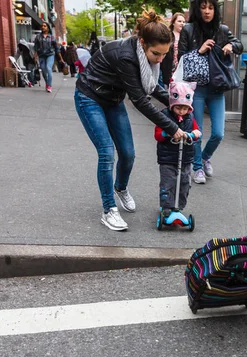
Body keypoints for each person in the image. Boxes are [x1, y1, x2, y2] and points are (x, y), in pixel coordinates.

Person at [75, 9, 182, 231]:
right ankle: (109, 210)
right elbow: (140, 100)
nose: (160, 59)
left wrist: (178, 102)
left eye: (164, 54)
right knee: (106, 152)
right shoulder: (126, 56)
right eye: (157, 54)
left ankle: (120, 187)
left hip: (113, 99)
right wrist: (172, 128)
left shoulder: (148, 57)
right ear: (142, 42)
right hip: (90, 97)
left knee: (128, 153)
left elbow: (154, 88)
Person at [178, 0, 243, 185]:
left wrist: (231, 46)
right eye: (203, 7)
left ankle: (206, 157)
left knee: (219, 133)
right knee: (197, 131)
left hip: (216, 88)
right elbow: (181, 58)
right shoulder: (188, 29)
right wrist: (199, 51)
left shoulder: (222, 30)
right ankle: (197, 167)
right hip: (195, 88)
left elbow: (239, 44)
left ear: (215, 9)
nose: (207, 11)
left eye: (211, 7)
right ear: (197, 9)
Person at [154, 80, 202, 218]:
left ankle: (179, 207)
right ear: (172, 105)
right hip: (168, 158)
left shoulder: (190, 117)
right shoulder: (164, 115)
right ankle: (166, 207)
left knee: (185, 183)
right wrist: (167, 133)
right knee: (168, 183)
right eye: (178, 108)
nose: (182, 111)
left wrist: (195, 134)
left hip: (186, 158)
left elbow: (196, 131)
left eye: (185, 108)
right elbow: (158, 134)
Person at [34, 22, 63, 93]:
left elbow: (56, 48)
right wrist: (35, 56)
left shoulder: (52, 37)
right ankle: (47, 82)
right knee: (43, 71)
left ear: (48, 28)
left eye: (45, 26)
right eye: (42, 26)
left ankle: (49, 85)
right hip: (41, 56)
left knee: (48, 68)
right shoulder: (38, 37)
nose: (43, 27)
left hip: (50, 55)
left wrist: (61, 58)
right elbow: (36, 47)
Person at [161, 12, 186, 87]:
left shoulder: (186, 36)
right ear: (173, 23)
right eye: (179, 21)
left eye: (183, 22)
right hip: (170, 69)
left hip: (182, 69)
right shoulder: (168, 36)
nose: (182, 23)